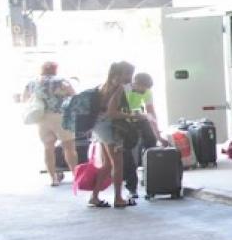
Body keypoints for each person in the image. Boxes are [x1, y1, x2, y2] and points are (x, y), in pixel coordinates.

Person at [88, 61, 138, 209]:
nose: (130, 77)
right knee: (118, 164)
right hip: (110, 128)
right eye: (128, 73)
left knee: (107, 164)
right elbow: (112, 112)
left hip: (99, 126)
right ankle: (118, 198)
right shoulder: (119, 88)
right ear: (119, 74)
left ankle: (95, 196)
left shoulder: (103, 86)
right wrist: (134, 116)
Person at [24, 61, 77, 187]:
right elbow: (74, 95)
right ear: (55, 69)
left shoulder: (33, 82)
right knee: (69, 147)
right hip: (61, 116)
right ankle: (76, 175)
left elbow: (25, 98)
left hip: (42, 118)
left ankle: (53, 178)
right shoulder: (61, 80)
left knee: (48, 148)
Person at [122, 72, 166, 200]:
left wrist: (158, 136)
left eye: (146, 89)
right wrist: (131, 115)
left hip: (139, 119)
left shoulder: (147, 91)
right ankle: (132, 188)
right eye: (143, 88)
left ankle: (152, 183)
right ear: (135, 83)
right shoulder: (125, 89)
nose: (144, 91)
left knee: (151, 148)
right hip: (124, 121)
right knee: (130, 156)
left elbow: (151, 112)